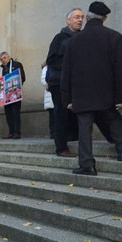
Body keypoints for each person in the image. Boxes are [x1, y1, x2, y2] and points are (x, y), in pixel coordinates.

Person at [61, 1, 122, 176]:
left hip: (82, 95)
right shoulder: (115, 37)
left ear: (87, 17)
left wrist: (68, 99)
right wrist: (119, 98)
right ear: (104, 19)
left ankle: (87, 164)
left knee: (84, 129)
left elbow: (67, 74)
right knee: (114, 122)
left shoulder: (73, 41)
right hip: (107, 94)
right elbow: (119, 70)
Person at [45, 8, 84, 157]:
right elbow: (51, 60)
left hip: (76, 83)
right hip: (59, 82)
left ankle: (73, 138)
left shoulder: (83, 38)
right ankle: (61, 148)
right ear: (68, 21)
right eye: (76, 17)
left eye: (81, 17)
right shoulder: (59, 38)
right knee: (61, 114)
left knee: (75, 112)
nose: (80, 20)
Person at [0, 51, 26, 139]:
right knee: (8, 114)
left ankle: (17, 132)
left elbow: (22, 77)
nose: (3, 60)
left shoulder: (17, 64)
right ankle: (11, 132)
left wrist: (15, 87)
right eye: (1, 59)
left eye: (4, 58)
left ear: (9, 57)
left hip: (15, 93)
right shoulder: (2, 69)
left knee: (15, 113)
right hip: (6, 95)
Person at [40, 63, 55, 139]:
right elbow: (43, 79)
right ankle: (52, 133)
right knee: (52, 116)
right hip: (50, 95)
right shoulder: (46, 68)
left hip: (56, 95)